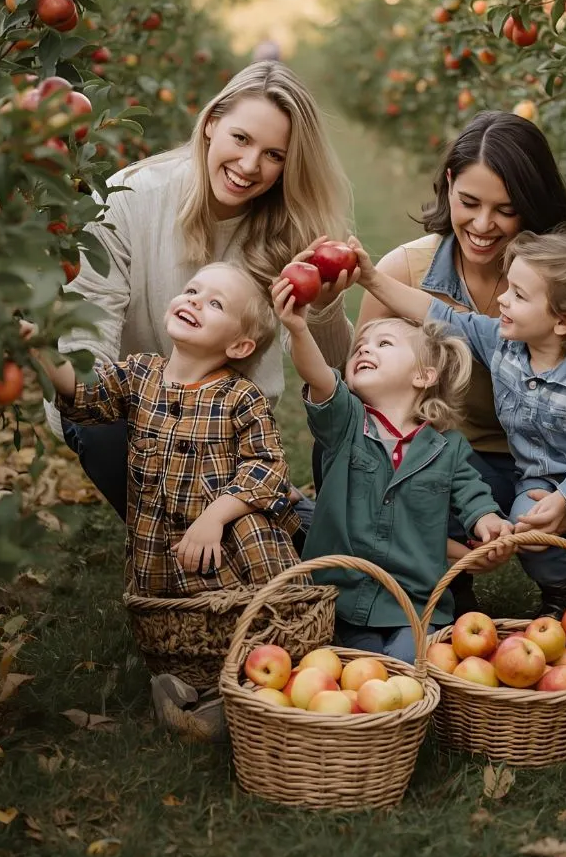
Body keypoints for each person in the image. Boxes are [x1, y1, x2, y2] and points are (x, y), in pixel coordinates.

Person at [353, 110, 566, 696]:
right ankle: (511, 596)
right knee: (422, 508)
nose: (483, 224)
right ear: (448, 182)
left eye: (506, 209)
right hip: (484, 462)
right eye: (470, 201)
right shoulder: (431, 280)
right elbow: (379, 381)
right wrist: (368, 280)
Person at [45, 61, 356, 524]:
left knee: (311, 548)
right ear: (211, 123)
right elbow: (86, 338)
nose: (250, 166)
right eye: (241, 139)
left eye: (274, 155)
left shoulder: (288, 227)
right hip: (126, 415)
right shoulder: (128, 200)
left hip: (225, 431)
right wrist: (153, 421)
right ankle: (203, 541)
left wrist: (324, 308)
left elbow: (335, 376)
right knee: (105, 430)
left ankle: (293, 534)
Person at [273, 275, 515, 665]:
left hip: (413, 602)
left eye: (384, 344)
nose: (365, 349)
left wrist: (486, 521)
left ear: (423, 376)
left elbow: (472, 495)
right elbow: (318, 377)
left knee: (406, 666)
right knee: (353, 668)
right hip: (338, 597)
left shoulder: (447, 447)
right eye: (361, 348)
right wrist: (299, 328)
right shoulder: (346, 424)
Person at [28, 262, 300, 596]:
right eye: (191, 291)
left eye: (216, 304)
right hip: (161, 563)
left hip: (232, 556)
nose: (196, 301)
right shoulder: (140, 375)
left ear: (239, 346)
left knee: (259, 624)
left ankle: (278, 614)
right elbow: (85, 390)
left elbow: (268, 467)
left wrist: (214, 518)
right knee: (179, 638)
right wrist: (39, 349)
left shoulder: (241, 397)